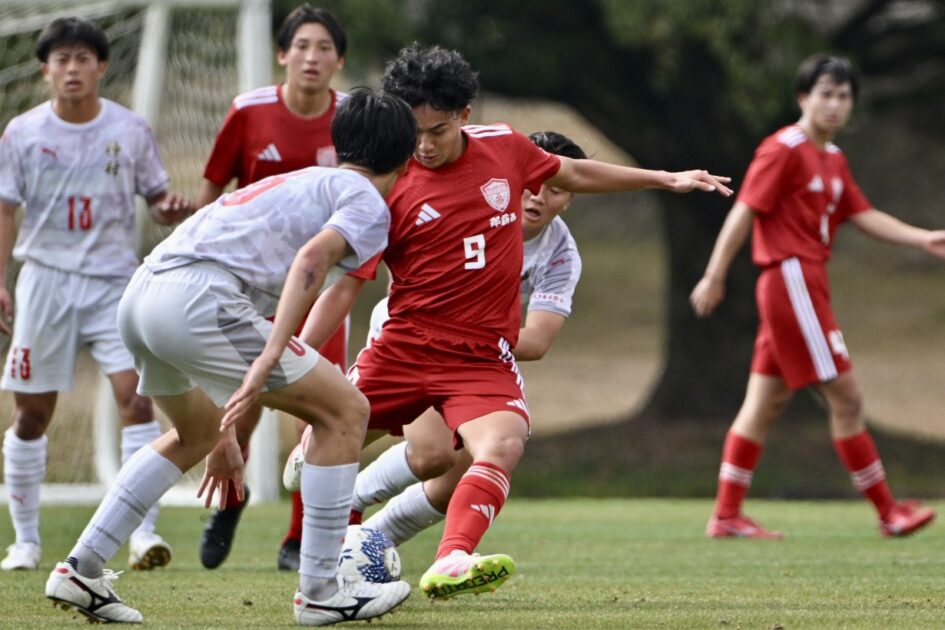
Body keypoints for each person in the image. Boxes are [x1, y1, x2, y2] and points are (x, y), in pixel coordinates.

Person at [224, 42, 732, 601]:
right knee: (341, 437)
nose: (424, 145)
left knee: (503, 443)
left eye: (437, 131)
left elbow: (572, 171)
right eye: (413, 132)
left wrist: (664, 178)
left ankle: (452, 558)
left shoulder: (506, 148)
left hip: (479, 355)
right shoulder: (386, 186)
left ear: (464, 115)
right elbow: (343, 287)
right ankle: (320, 573)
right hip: (403, 347)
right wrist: (292, 356)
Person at [43, 89, 417, 625]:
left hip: (144, 294)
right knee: (347, 411)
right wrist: (271, 351)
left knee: (194, 435)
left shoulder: (301, 181)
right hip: (199, 300)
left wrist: (225, 435)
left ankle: (81, 568)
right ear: (406, 160)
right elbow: (313, 260)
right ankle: (321, 590)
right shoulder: (366, 201)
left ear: (338, 144)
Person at [284, 131, 588, 548]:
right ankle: (335, 486)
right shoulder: (471, 199)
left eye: (555, 190)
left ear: (570, 198)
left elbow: (535, 341)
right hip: (409, 339)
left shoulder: (561, 254)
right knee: (432, 453)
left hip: (478, 352)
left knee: (449, 478)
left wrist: (469, 332)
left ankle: (371, 541)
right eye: (533, 182)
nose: (538, 196)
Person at [689, 54, 945, 539]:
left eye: (844, 96)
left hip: (805, 282)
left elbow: (861, 213)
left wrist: (922, 238)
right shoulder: (784, 148)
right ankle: (888, 512)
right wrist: (714, 274)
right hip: (791, 278)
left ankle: (726, 516)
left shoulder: (833, 157)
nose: (835, 104)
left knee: (764, 403)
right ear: (803, 97)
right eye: (825, 93)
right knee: (847, 398)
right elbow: (745, 209)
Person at [0, 17, 192, 572]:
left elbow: (156, 197)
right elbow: (5, 210)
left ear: (101, 66)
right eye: (61, 59)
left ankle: (142, 535)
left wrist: (168, 209)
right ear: (45, 70)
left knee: (137, 400)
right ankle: (25, 542)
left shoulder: (130, 130)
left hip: (113, 283)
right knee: (32, 414)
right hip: (45, 281)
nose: (72, 69)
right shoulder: (22, 133)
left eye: (83, 58)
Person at [195, 3, 350, 573]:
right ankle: (229, 503)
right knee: (244, 404)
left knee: (319, 408)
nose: (312, 57)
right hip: (250, 286)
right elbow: (211, 193)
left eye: (324, 47)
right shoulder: (249, 111)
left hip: (322, 285)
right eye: (302, 46)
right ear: (282, 54)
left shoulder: (351, 119)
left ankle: (298, 538)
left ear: (339, 60)